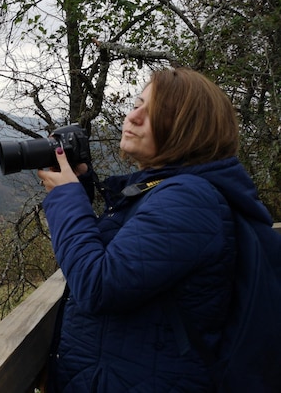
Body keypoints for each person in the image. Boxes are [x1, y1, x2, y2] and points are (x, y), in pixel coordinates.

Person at [37, 68, 274, 392]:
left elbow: (98, 284)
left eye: (153, 113)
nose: (132, 117)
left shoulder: (190, 198)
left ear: (189, 129)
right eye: (136, 104)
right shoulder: (167, 192)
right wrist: (80, 187)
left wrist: (66, 198)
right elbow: (127, 256)